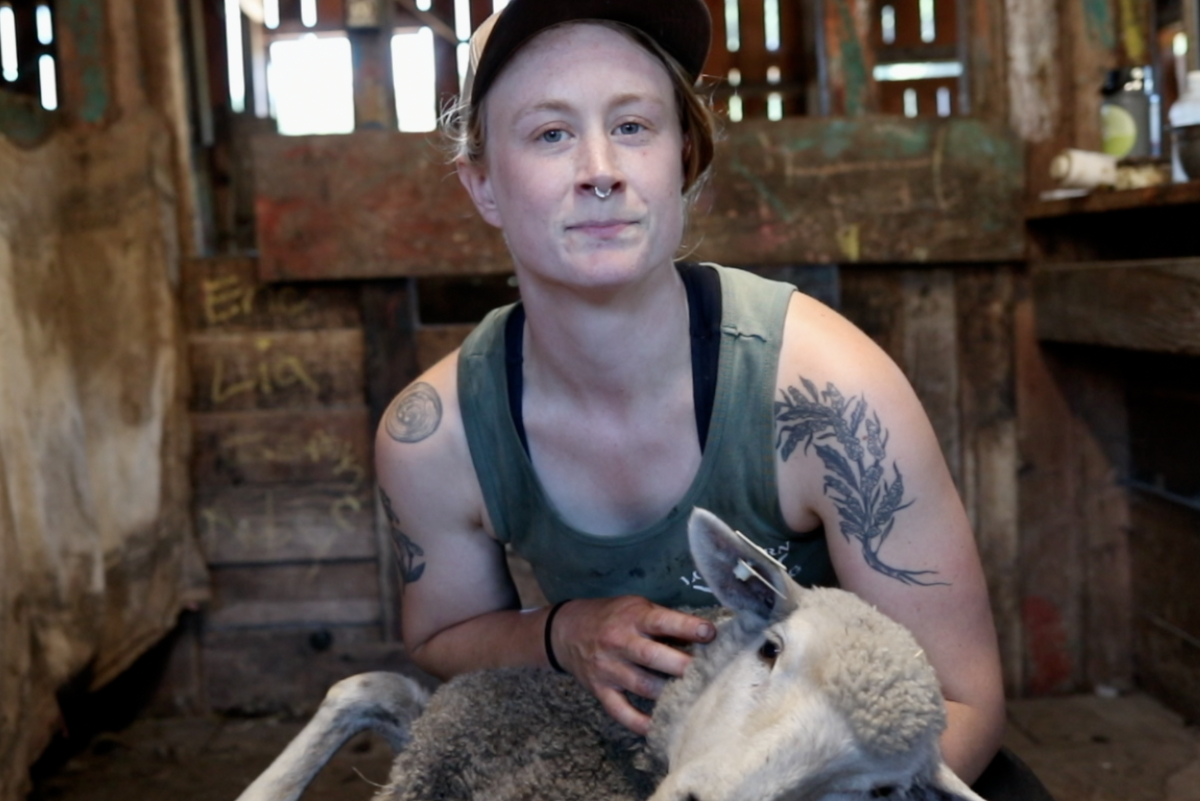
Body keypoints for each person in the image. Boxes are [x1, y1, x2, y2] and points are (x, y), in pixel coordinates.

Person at [375, 1, 1050, 797]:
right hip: (645, 761)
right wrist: (562, 631)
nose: (600, 167)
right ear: (483, 184)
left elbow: (962, 701)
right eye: (550, 133)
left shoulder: (827, 394)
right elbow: (445, 634)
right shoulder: (435, 434)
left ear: (683, 155)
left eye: (633, 126)